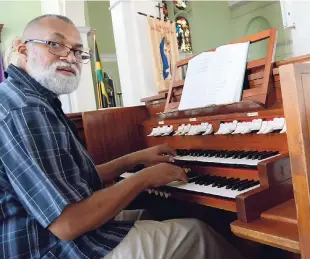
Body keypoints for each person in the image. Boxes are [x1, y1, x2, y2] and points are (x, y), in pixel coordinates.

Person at [0, 14, 245, 259]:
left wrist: (134, 158)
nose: (70, 57)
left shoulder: (27, 98)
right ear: (23, 50)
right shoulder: (27, 110)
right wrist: (143, 177)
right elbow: (67, 224)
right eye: (56, 44)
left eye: (77, 51)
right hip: (54, 249)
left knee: (151, 216)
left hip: (51, 238)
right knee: (196, 233)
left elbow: (74, 180)